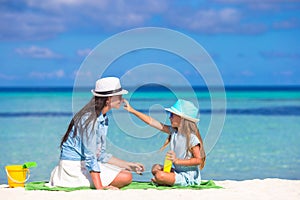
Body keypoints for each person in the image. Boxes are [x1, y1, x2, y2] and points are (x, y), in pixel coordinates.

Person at [48, 77, 144, 190]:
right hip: (73, 168)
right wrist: (100, 188)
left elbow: (101, 155)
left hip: (84, 165)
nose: (122, 99)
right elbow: (90, 157)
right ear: (108, 99)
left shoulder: (102, 118)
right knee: (126, 177)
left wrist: (129, 165)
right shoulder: (89, 119)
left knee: (126, 172)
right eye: (119, 96)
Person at [124, 99, 206, 186]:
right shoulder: (174, 132)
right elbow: (151, 122)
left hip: (188, 177)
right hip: (178, 172)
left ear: (182, 118)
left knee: (159, 175)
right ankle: (163, 179)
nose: (169, 117)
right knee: (155, 168)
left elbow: (199, 160)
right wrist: (132, 110)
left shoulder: (192, 138)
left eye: (172, 115)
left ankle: (161, 180)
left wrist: (177, 161)